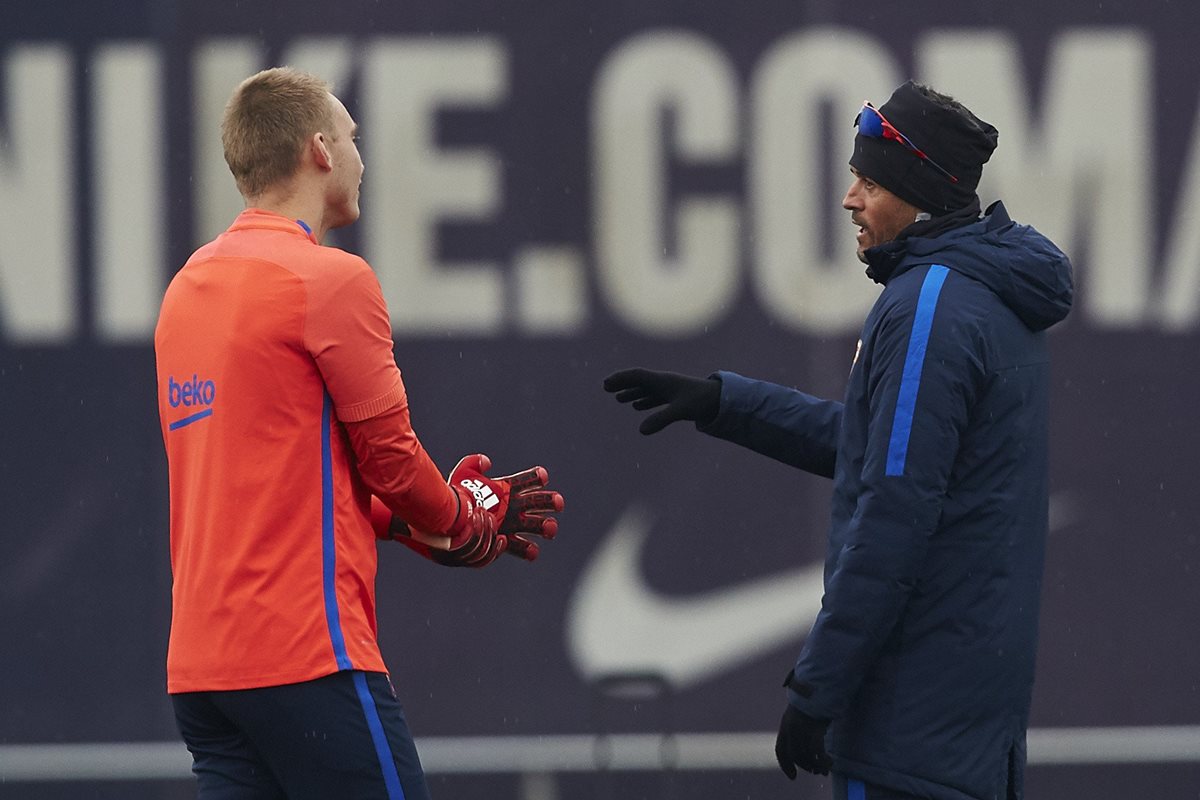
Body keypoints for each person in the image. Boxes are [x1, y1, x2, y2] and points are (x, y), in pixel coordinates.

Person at [604, 81, 1072, 800]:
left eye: (871, 181)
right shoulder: (978, 295)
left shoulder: (929, 308)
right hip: (963, 728)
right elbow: (879, 448)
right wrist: (726, 402)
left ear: (919, 192)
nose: (851, 198)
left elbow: (894, 509)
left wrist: (819, 688)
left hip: (907, 732)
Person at [154, 67, 563, 800]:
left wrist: (418, 523)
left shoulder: (187, 289)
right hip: (306, 657)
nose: (359, 155)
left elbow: (286, 480)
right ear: (319, 149)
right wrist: (459, 520)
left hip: (204, 673)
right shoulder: (328, 279)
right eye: (351, 136)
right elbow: (393, 460)